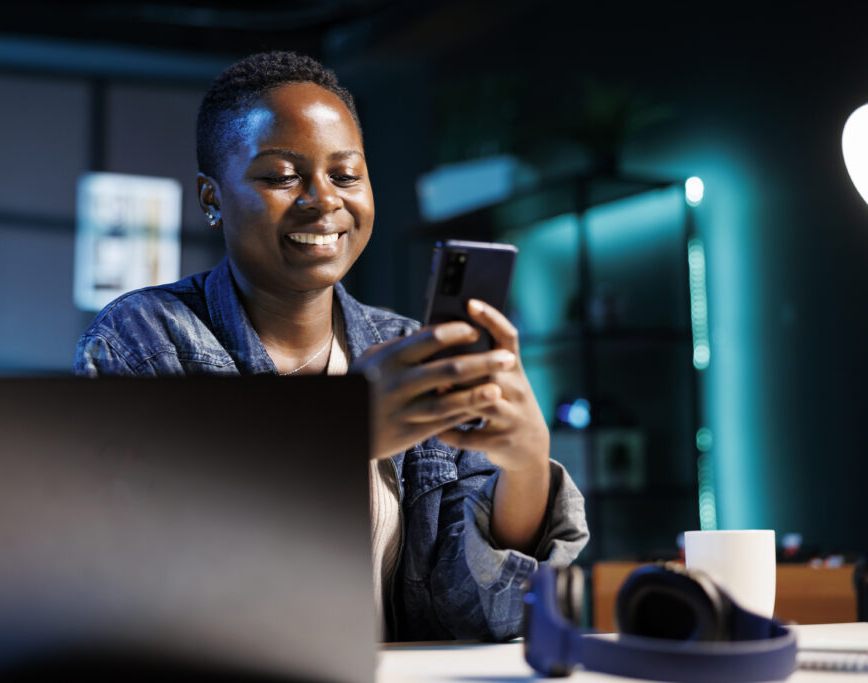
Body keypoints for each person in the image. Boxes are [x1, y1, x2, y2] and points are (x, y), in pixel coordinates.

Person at [75, 51, 588, 642]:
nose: (323, 199)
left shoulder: (406, 351)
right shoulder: (142, 341)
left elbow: (482, 617)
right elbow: (128, 585)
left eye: (345, 174)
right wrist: (334, 435)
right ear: (211, 197)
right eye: (280, 176)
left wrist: (524, 465)